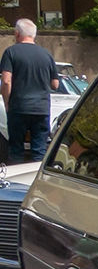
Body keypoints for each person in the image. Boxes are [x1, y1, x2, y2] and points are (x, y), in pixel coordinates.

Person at [1, 19, 59, 163]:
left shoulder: (11, 52)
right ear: (34, 35)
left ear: (17, 33)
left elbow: (6, 81)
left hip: (19, 107)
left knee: (16, 149)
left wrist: (7, 102)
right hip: (41, 108)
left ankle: (17, 182)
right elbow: (55, 84)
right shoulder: (46, 55)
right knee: (39, 150)